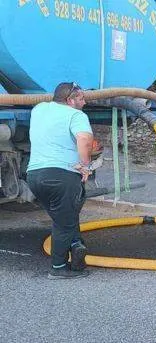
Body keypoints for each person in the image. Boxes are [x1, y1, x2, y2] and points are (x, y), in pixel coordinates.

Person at [26, 82, 94, 279]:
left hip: (35, 176)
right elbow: (84, 140)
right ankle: (59, 268)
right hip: (61, 176)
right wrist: (85, 165)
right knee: (62, 224)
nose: (84, 101)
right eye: (80, 98)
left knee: (64, 215)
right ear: (69, 100)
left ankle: (76, 245)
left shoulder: (39, 109)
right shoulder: (76, 116)